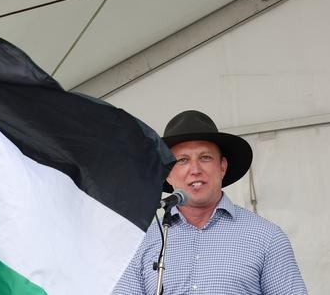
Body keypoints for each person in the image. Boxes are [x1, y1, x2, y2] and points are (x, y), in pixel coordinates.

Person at [113, 110, 307, 294]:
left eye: (205, 157)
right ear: (168, 174)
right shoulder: (140, 241)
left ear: (222, 167)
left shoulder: (266, 237)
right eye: (182, 160)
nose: (195, 169)